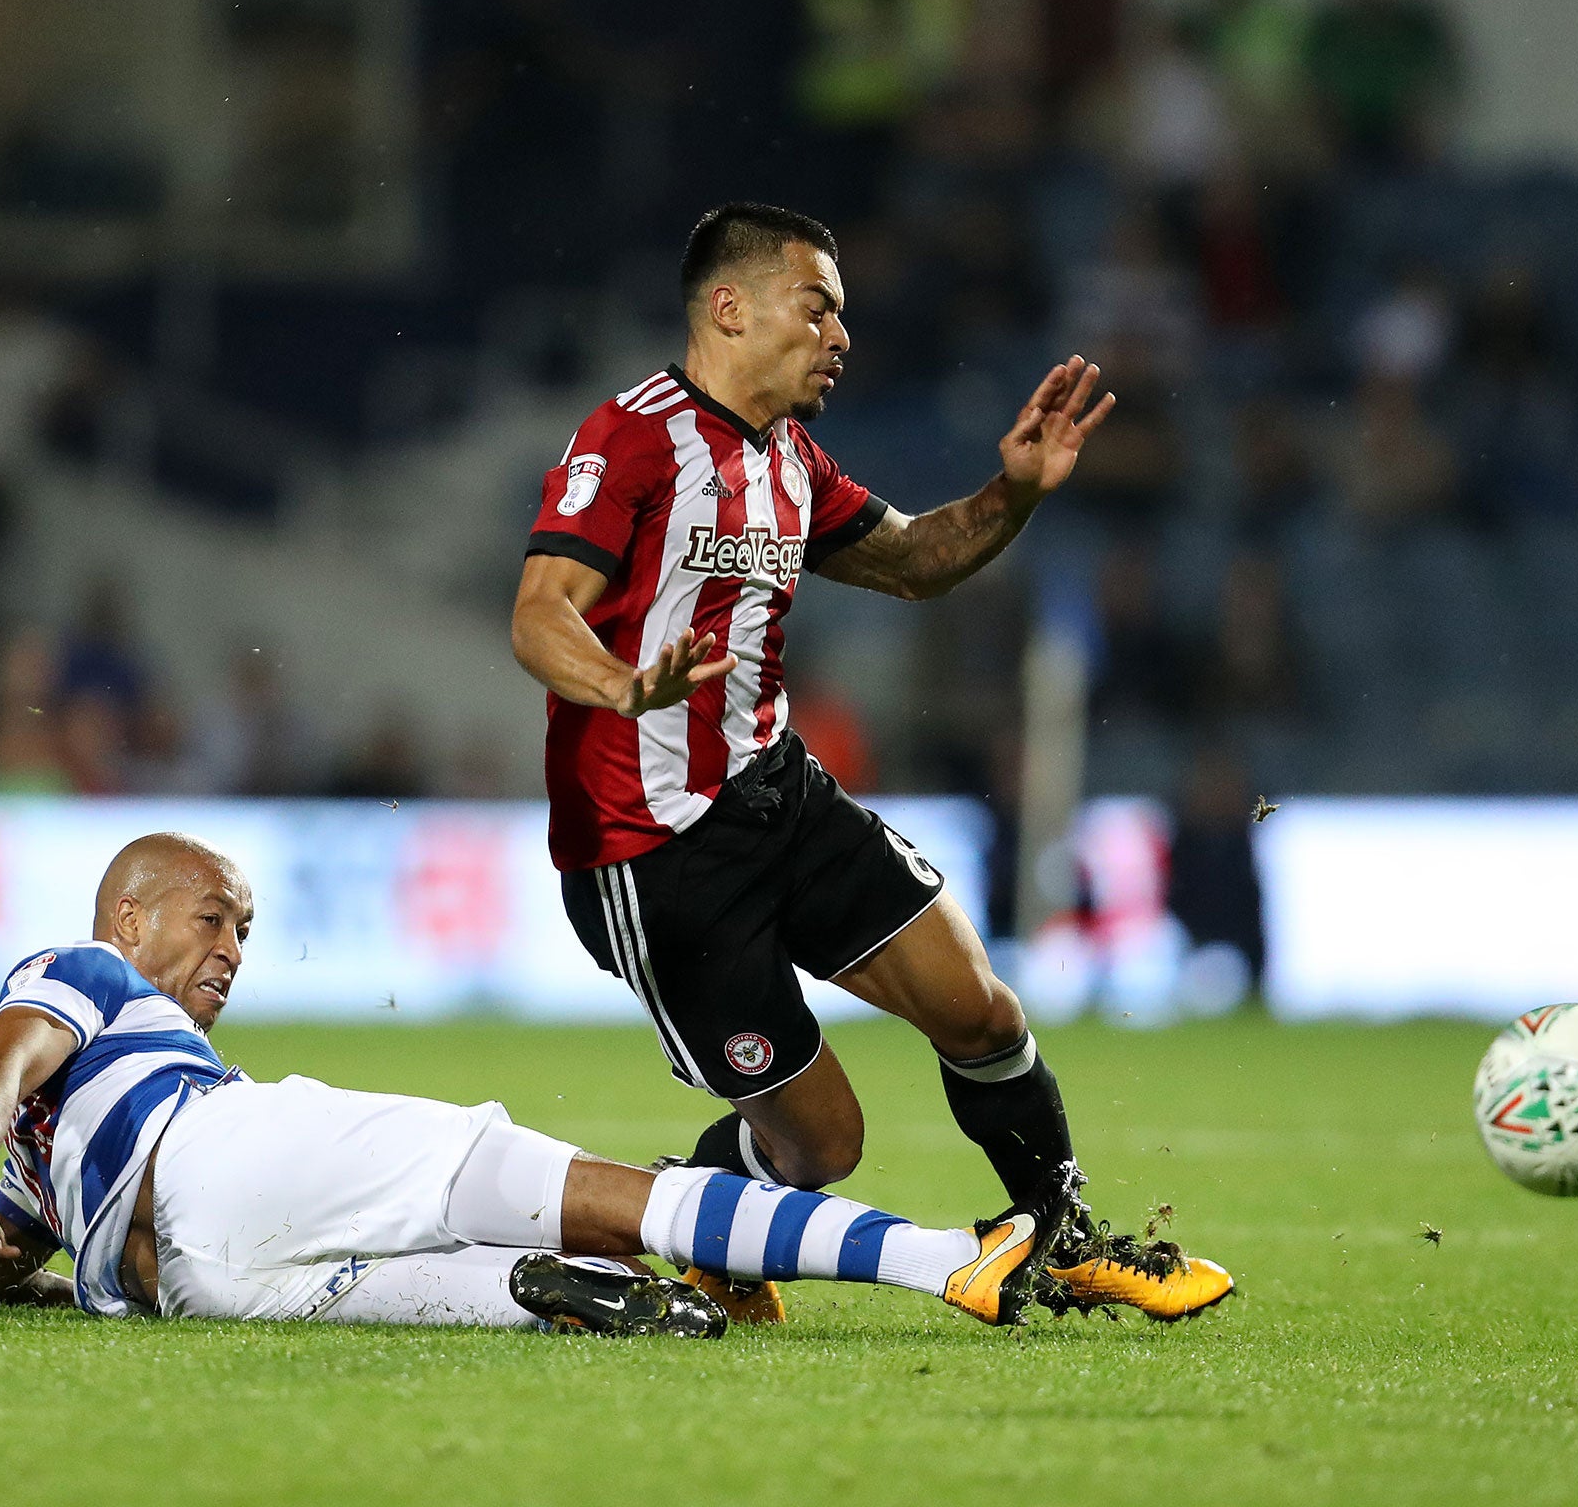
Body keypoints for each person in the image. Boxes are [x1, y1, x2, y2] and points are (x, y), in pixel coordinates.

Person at [509, 202, 1233, 1323]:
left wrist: (1015, 494)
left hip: (777, 795)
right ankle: (676, 1221)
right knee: (818, 1147)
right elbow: (539, 612)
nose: (840, 337)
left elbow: (907, 561)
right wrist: (615, 685)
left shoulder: (786, 458)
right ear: (730, 306)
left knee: (981, 1013)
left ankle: (1057, 1238)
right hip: (652, 852)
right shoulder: (632, 436)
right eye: (818, 308)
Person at [0, 832, 1131, 1335]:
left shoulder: (45, 1156)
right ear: (128, 916)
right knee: (596, 1189)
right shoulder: (85, 971)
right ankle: (942, 1258)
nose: (232, 947)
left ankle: (566, 1295)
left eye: (244, 928)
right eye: (213, 919)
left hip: (192, 1286)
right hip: (223, 1154)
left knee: (428, 1281)